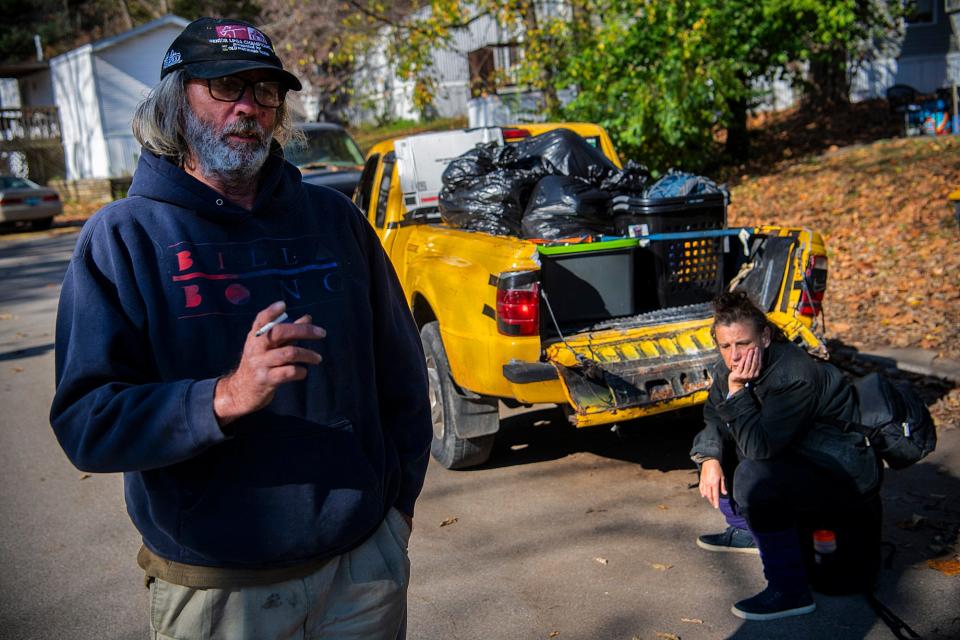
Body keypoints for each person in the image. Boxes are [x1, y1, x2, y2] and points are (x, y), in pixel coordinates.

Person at [49, 17, 432, 640]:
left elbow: (402, 378)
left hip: (360, 572)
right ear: (177, 102)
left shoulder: (335, 220)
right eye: (226, 86)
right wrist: (224, 398)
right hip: (219, 594)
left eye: (265, 90)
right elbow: (87, 423)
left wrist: (395, 517)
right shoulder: (123, 238)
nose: (249, 106)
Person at [690, 291, 880, 621]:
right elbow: (713, 416)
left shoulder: (794, 373)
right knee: (712, 448)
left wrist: (736, 394)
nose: (734, 356)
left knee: (752, 476)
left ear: (764, 337)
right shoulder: (730, 370)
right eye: (725, 347)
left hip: (840, 472)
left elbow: (760, 448)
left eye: (743, 344)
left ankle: (790, 591)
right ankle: (748, 530)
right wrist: (709, 459)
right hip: (797, 456)